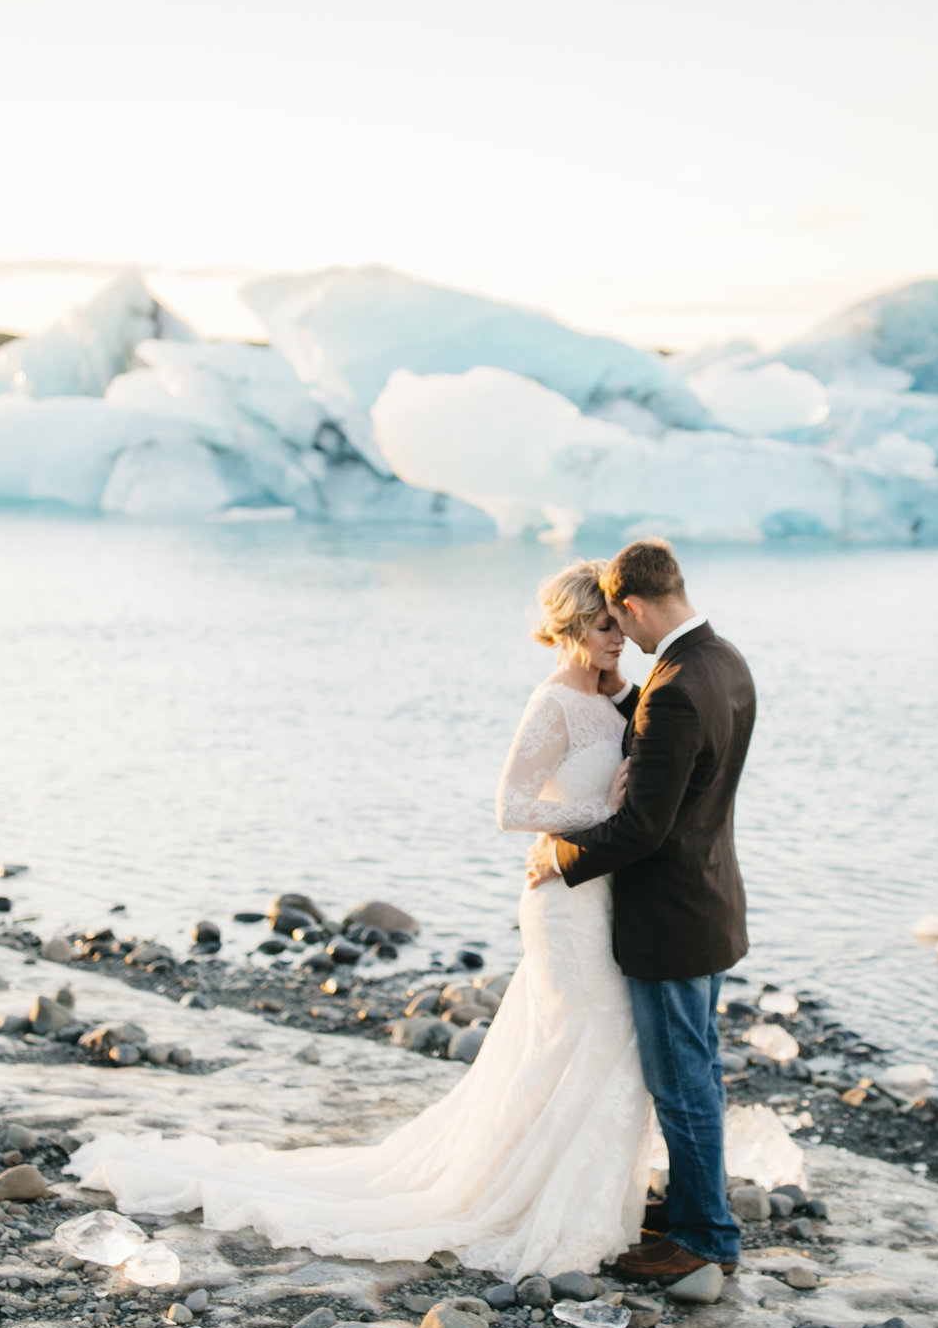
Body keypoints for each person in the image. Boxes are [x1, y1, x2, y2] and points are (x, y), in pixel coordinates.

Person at [65, 559, 659, 1278]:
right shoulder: (553, 702)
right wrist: (600, 813)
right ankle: (528, 1199)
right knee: (579, 1039)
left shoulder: (610, 691)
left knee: (588, 1045)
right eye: (604, 628)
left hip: (598, 894)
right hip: (561, 903)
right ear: (570, 629)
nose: (618, 638)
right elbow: (511, 806)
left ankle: (574, 1196)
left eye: (620, 626)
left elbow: (642, 721)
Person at [531, 537, 756, 1283]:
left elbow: (643, 828)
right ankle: (698, 1206)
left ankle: (703, 1237)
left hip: (670, 919)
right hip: (712, 901)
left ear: (630, 604)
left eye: (621, 623)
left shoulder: (676, 685)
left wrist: (559, 857)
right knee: (700, 1070)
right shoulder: (727, 663)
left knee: (681, 1080)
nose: (622, 638)